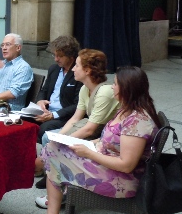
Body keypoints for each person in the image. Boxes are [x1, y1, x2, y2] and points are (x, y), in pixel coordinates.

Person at [30, 66, 160, 214]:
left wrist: (89, 153)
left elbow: (127, 165)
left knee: (53, 156)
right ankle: (53, 210)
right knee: (55, 149)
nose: (112, 87)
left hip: (122, 181)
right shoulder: (125, 109)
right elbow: (108, 139)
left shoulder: (137, 121)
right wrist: (87, 144)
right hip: (108, 163)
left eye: (115, 84)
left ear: (127, 89)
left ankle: (52, 213)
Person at [34, 49, 119, 195]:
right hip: (95, 130)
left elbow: (90, 129)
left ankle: (53, 173)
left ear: (87, 70)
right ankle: (51, 170)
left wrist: (61, 140)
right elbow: (75, 118)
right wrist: (59, 136)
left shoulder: (104, 92)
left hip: (106, 136)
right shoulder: (85, 89)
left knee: (55, 142)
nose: (73, 68)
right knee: (49, 137)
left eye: (77, 66)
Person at [33, 36, 83, 142]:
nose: (56, 59)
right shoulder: (53, 69)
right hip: (46, 111)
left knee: (44, 129)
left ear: (71, 57)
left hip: (64, 116)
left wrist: (53, 115)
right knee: (23, 121)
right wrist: (40, 101)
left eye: (60, 56)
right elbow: (44, 90)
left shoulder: (79, 74)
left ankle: (43, 156)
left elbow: (77, 105)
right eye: (54, 55)